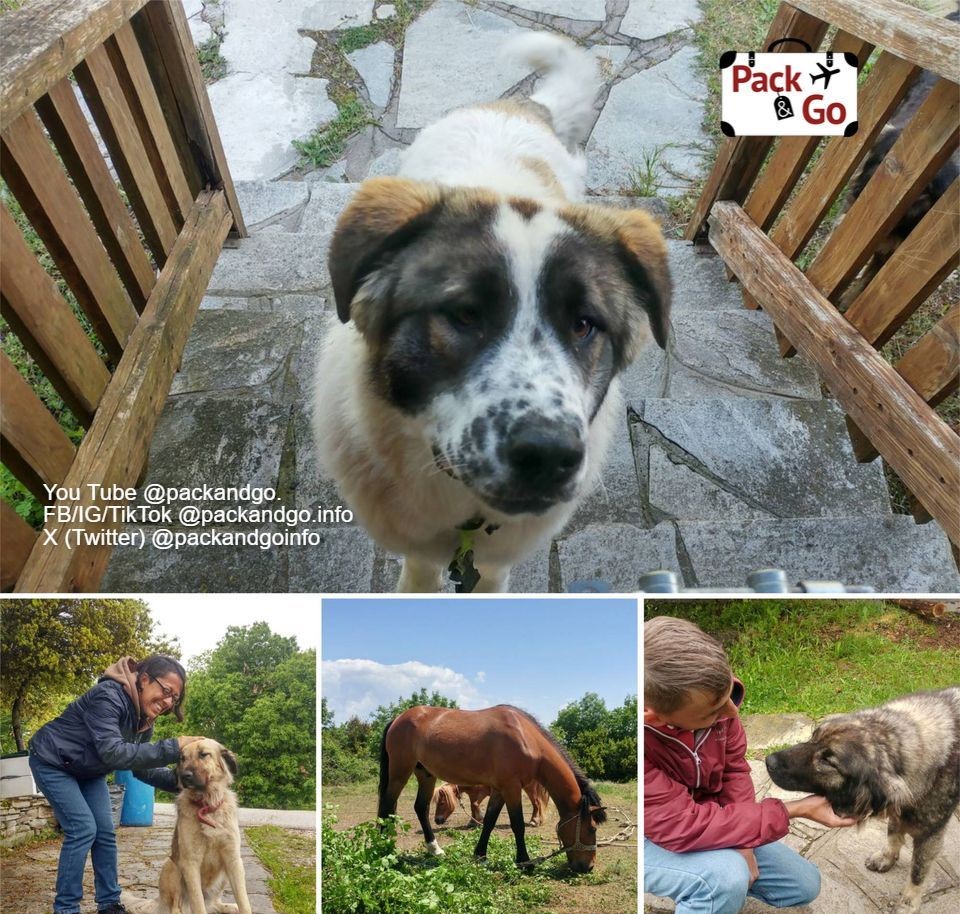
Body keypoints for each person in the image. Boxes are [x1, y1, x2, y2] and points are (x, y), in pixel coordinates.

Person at [644, 616, 857, 914]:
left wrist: (743, 841)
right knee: (725, 877)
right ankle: (700, 887)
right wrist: (795, 809)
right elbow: (681, 825)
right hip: (651, 834)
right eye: (714, 711)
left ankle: (703, 883)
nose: (732, 711)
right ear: (653, 717)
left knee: (804, 884)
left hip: (708, 818)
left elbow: (733, 771)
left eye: (729, 693)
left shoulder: (713, 701)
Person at [28, 655, 203, 914]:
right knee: (83, 828)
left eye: (174, 699)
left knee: (105, 833)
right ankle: (65, 908)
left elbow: (139, 767)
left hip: (88, 770)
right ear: (144, 679)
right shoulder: (108, 696)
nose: (168, 702)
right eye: (166, 691)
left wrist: (187, 783)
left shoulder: (143, 722)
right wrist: (174, 746)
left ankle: (109, 903)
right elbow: (114, 752)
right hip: (52, 760)